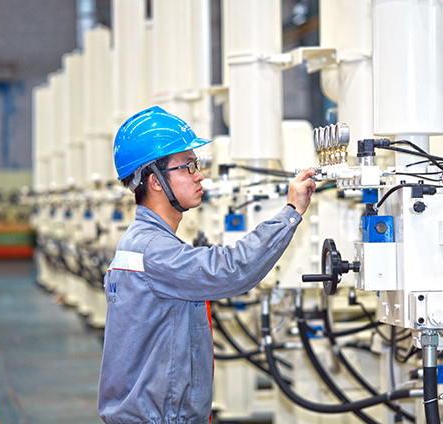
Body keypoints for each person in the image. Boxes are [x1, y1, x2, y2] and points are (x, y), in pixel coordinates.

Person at [98, 106, 316, 424]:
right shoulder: (153, 250)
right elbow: (230, 269)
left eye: (196, 165)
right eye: (187, 167)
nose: (199, 175)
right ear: (155, 181)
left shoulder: (143, 242)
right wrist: (291, 211)